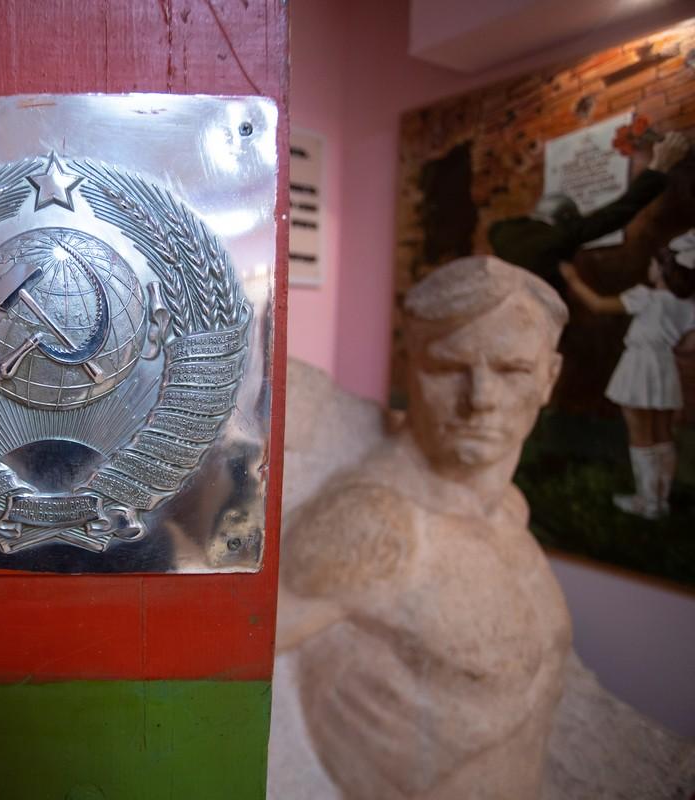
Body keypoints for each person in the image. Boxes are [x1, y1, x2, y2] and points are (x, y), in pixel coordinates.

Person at [280, 256, 572, 799]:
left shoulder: (509, 508)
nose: (480, 398)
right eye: (447, 366)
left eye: (512, 370)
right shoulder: (374, 525)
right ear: (407, 367)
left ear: (549, 378)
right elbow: (221, 663)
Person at [559, 232, 695, 519]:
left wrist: (573, 279)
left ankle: (647, 502)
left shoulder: (646, 297)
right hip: (665, 366)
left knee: (640, 434)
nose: (649, 268)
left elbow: (598, 304)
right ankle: (661, 500)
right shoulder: (688, 305)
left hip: (639, 366)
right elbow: (688, 344)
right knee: (662, 433)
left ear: (663, 269)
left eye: (653, 264)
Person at [488, 131, 689, 291]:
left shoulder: (500, 231)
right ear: (566, 219)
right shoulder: (561, 234)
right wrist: (658, 166)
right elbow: (617, 212)